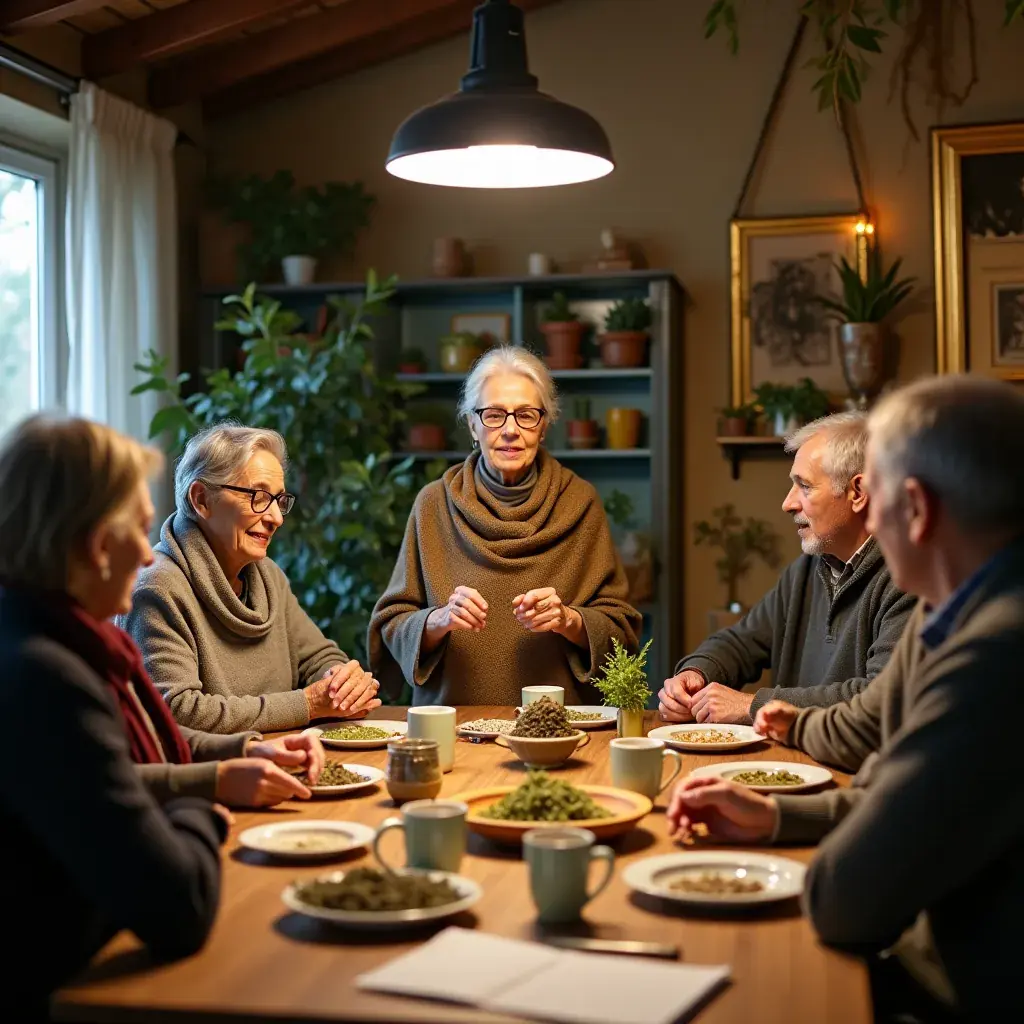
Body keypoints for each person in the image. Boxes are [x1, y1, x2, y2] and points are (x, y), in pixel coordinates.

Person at [666, 375, 1024, 1020]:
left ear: (914, 507)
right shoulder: (957, 609)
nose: (872, 523)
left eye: (878, 496)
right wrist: (777, 818)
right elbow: (886, 770)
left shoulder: (994, 655)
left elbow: (844, 901)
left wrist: (759, 715)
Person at [0, 416, 226, 1014]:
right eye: (143, 531)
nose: (150, 556)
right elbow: (181, 907)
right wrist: (203, 799)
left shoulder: (31, 638)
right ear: (100, 546)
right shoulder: (49, 680)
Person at [368, 346, 641, 705]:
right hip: (452, 725)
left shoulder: (580, 503)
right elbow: (391, 624)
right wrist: (439, 620)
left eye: (526, 415)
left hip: (558, 725)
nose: (510, 430)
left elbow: (622, 631)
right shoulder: (434, 504)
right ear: (473, 425)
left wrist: (569, 620)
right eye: (494, 415)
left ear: (543, 427)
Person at [122, 424, 380, 734]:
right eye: (258, 496)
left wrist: (341, 684)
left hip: (284, 753)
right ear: (202, 499)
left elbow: (319, 657)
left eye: (279, 500)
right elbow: (177, 711)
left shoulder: (268, 576)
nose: (276, 518)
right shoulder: (157, 588)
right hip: (221, 765)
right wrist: (307, 704)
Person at [659, 411, 913, 725]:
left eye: (804, 486)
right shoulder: (804, 571)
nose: (788, 503)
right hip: (793, 753)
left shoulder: (909, 580)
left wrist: (754, 705)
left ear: (858, 492)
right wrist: (696, 672)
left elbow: (880, 698)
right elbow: (742, 641)